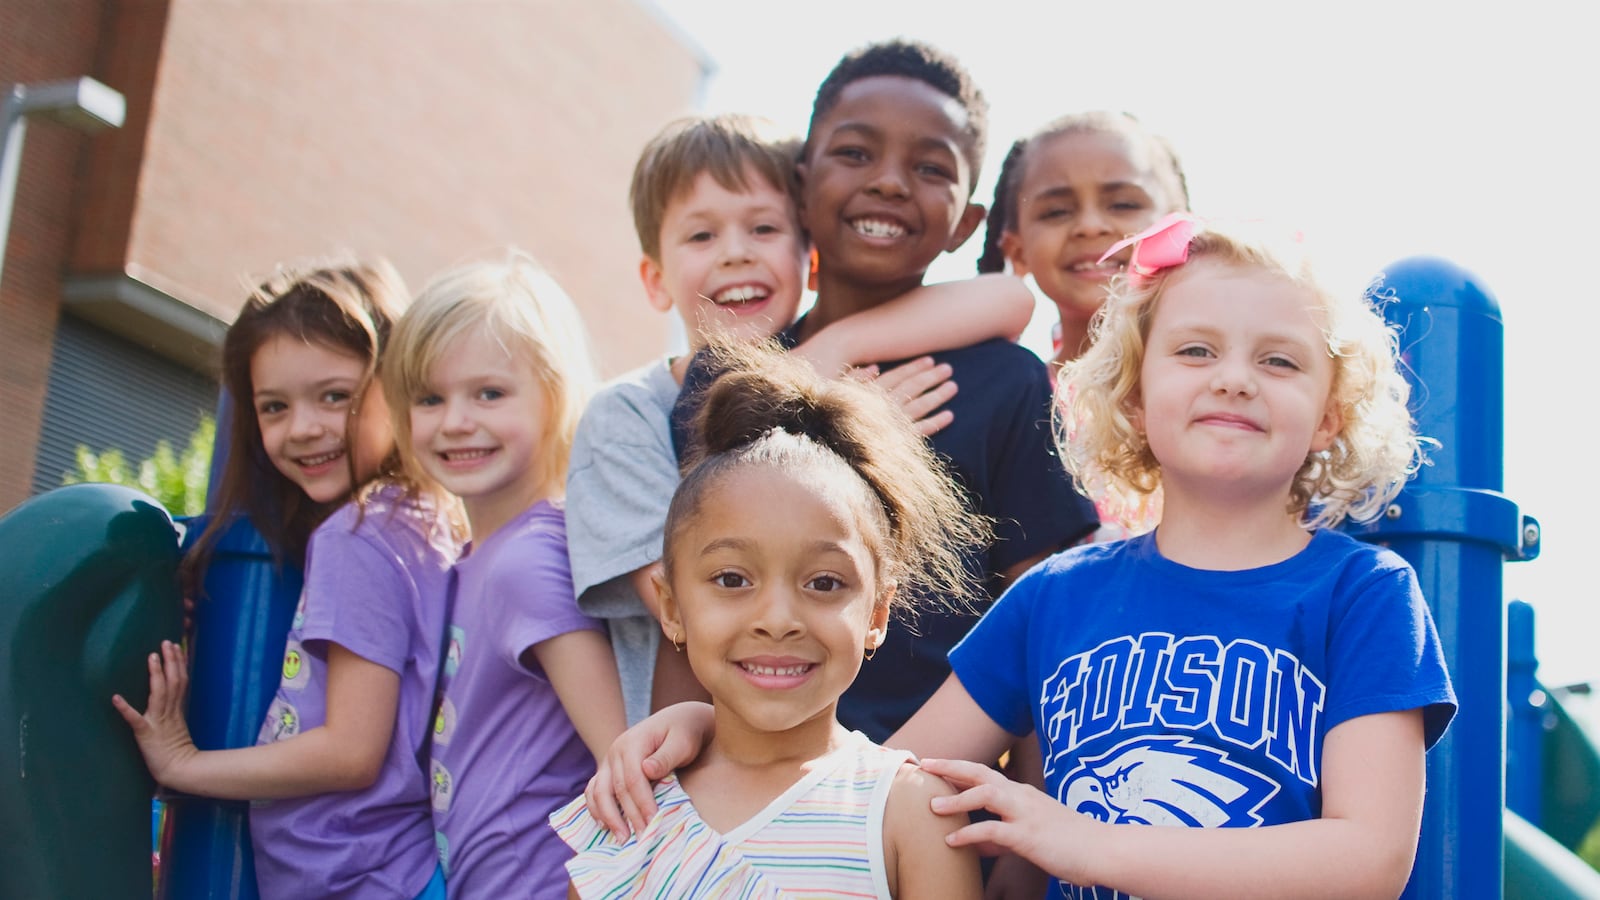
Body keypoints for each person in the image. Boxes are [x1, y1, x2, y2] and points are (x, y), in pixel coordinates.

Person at [906, 214, 1458, 898]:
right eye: (1196, 351)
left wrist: (1091, 845)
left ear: (1327, 416)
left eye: (1278, 360)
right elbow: (895, 782)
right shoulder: (1053, 596)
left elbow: (1367, 857)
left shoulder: (1364, 591)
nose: (1233, 380)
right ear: (1136, 397)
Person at [670, 38, 1099, 745]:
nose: (891, 182)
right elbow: (688, 607)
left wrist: (1025, 843)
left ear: (967, 221)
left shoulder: (1009, 383)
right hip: (744, 800)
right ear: (800, 183)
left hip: (927, 797)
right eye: (856, 154)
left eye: (930, 167)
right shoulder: (727, 378)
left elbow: (1041, 626)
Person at [566, 111, 1037, 726]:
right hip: (683, 758)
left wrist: (831, 356)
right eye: (701, 237)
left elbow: (1011, 297)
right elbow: (692, 605)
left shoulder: (839, 370)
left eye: (763, 228)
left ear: (808, 256)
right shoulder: (625, 415)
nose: (735, 254)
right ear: (655, 280)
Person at [550, 341, 989, 898]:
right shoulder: (630, 806)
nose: (777, 619)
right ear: (671, 607)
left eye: (824, 583)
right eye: (732, 579)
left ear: (877, 612)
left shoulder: (909, 812)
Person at [114, 261, 463, 900]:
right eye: (274, 406)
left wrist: (185, 764)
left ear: (399, 382)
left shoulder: (356, 536)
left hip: (366, 879)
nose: (302, 427)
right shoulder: (417, 520)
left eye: (334, 395)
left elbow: (351, 751)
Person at [382, 251, 627, 897]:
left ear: (554, 396)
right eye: (430, 398)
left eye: (489, 393)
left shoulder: (527, 560)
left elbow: (623, 757)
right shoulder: (477, 557)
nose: (457, 420)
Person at [976, 110, 1191, 369]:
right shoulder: (1013, 398)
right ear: (1018, 251)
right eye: (1057, 211)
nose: (1090, 227)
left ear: (1181, 229)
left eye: (1123, 205)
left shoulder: (1231, 383)